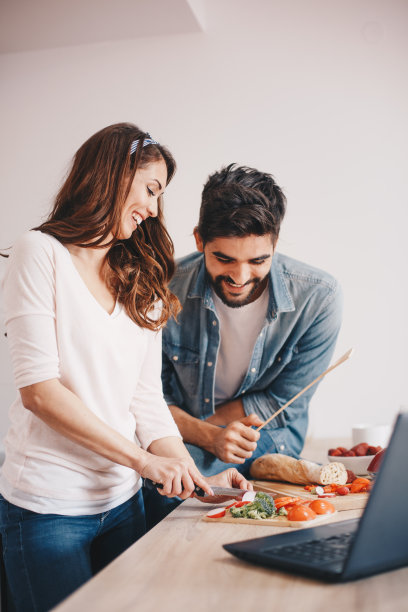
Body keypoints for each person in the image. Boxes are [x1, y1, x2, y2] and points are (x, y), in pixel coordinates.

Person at [0, 125, 250, 612]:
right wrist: (144, 462)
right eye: (151, 189)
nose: (155, 209)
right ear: (113, 176)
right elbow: (40, 393)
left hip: (122, 501)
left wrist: (190, 474)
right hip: (47, 509)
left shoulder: (141, 275)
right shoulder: (38, 254)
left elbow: (145, 399)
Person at [161, 164, 343, 478]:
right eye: (224, 259)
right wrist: (207, 435)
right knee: (158, 471)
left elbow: (279, 402)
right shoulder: (162, 289)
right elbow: (150, 396)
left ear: (275, 244)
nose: (240, 278)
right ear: (199, 240)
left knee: (181, 474)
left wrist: (205, 436)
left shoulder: (318, 298)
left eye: (258, 260)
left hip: (270, 430)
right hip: (178, 427)